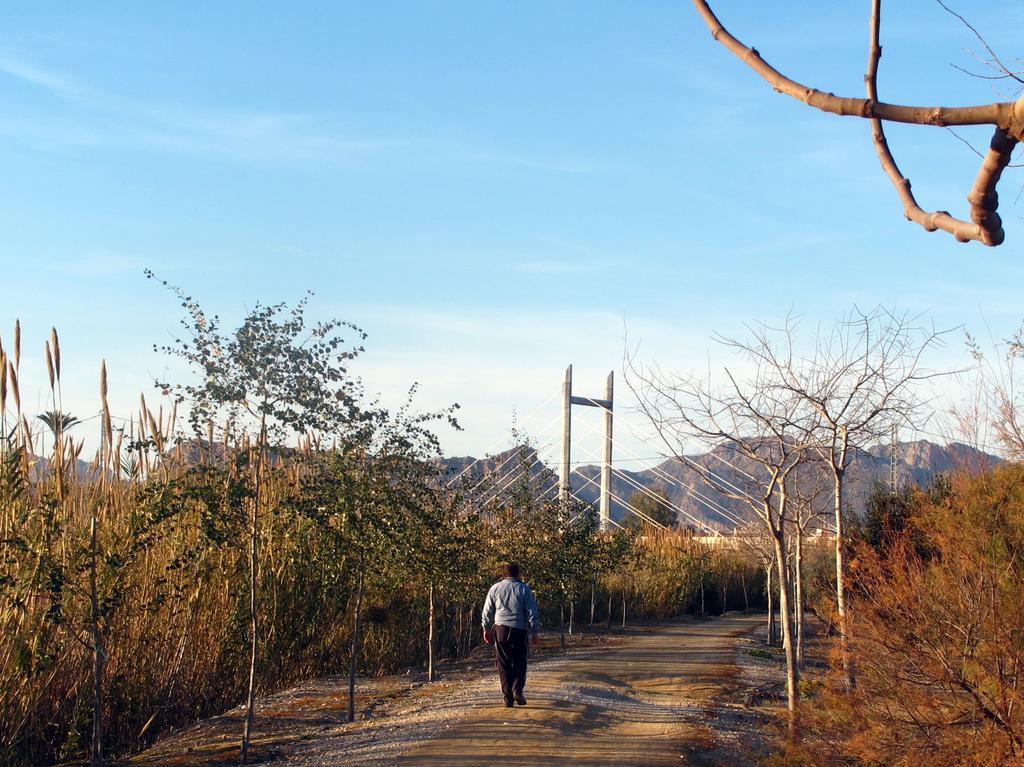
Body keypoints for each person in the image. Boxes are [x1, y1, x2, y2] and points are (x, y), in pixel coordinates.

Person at [481, 562, 540, 707]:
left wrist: (485, 628)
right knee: (520, 660)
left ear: (503, 574)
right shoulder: (524, 589)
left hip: (501, 629)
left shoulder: (494, 588)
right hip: (519, 629)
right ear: (518, 574)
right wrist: (534, 631)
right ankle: (517, 690)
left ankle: (507, 696)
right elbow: (532, 611)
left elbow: (487, 610)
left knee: (503, 662)